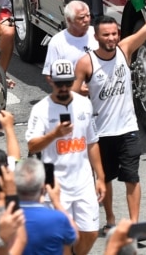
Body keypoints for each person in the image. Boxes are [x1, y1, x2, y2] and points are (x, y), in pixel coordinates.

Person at [72, 0, 146, 228]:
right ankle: (109, 219)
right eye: (106, 35)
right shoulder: (86, 62)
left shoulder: (124, 50)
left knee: (132, 177)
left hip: (128, 128)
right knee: (105, 178)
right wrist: (81, 92)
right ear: (96, 37)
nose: (111, 39)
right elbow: (71, 94)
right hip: (101, 132)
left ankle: (133, 224)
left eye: (114, 34)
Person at [25, 58, 106, 255]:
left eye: (68, 83)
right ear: (50, 80)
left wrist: (101, 177)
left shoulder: (84, 104)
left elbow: (92, 142)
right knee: (61, 237)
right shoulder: (41, 109)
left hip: (84, 181)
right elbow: (32, 145)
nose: (63, 87)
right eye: (59, 83)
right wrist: (54, 134)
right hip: (56, 185)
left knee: (91, 232)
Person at [16, 156, 76, 255]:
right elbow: (74, 234)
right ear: (43, 188)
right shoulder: (58, 219)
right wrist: (56, 202)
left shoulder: (3, 217)